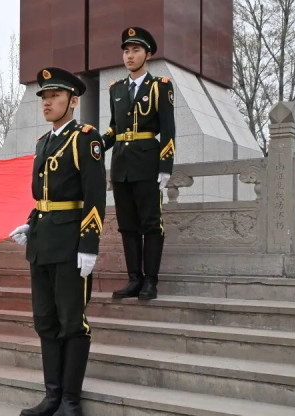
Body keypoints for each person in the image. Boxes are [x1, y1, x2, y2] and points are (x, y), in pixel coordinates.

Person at [9, 67, 107, 416]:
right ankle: (51, 396)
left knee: (71, 321)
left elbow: (95, 194)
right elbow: (44, 196)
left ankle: (70, 400)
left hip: (70, 244)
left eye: (55, 96)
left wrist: (89, 244)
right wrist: (31, 223)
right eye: (44, 97)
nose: (47, 102)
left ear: (73, 101)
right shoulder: (43, 143)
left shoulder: (86, 139)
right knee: (45, 321)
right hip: (43, 242)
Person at [102, 27, 176, 301]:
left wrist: (165, 166)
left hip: (147, 163)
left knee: (151, 223)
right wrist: (94, 146)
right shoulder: (116, 89)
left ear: (148, 54)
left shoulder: (160, 86)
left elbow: (168, 129)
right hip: (121, 165)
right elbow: (114, 129)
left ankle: (150, 281)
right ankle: (134, 279)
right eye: (126, 51)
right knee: (127, 225)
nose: (129, 56)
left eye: (135, 50)